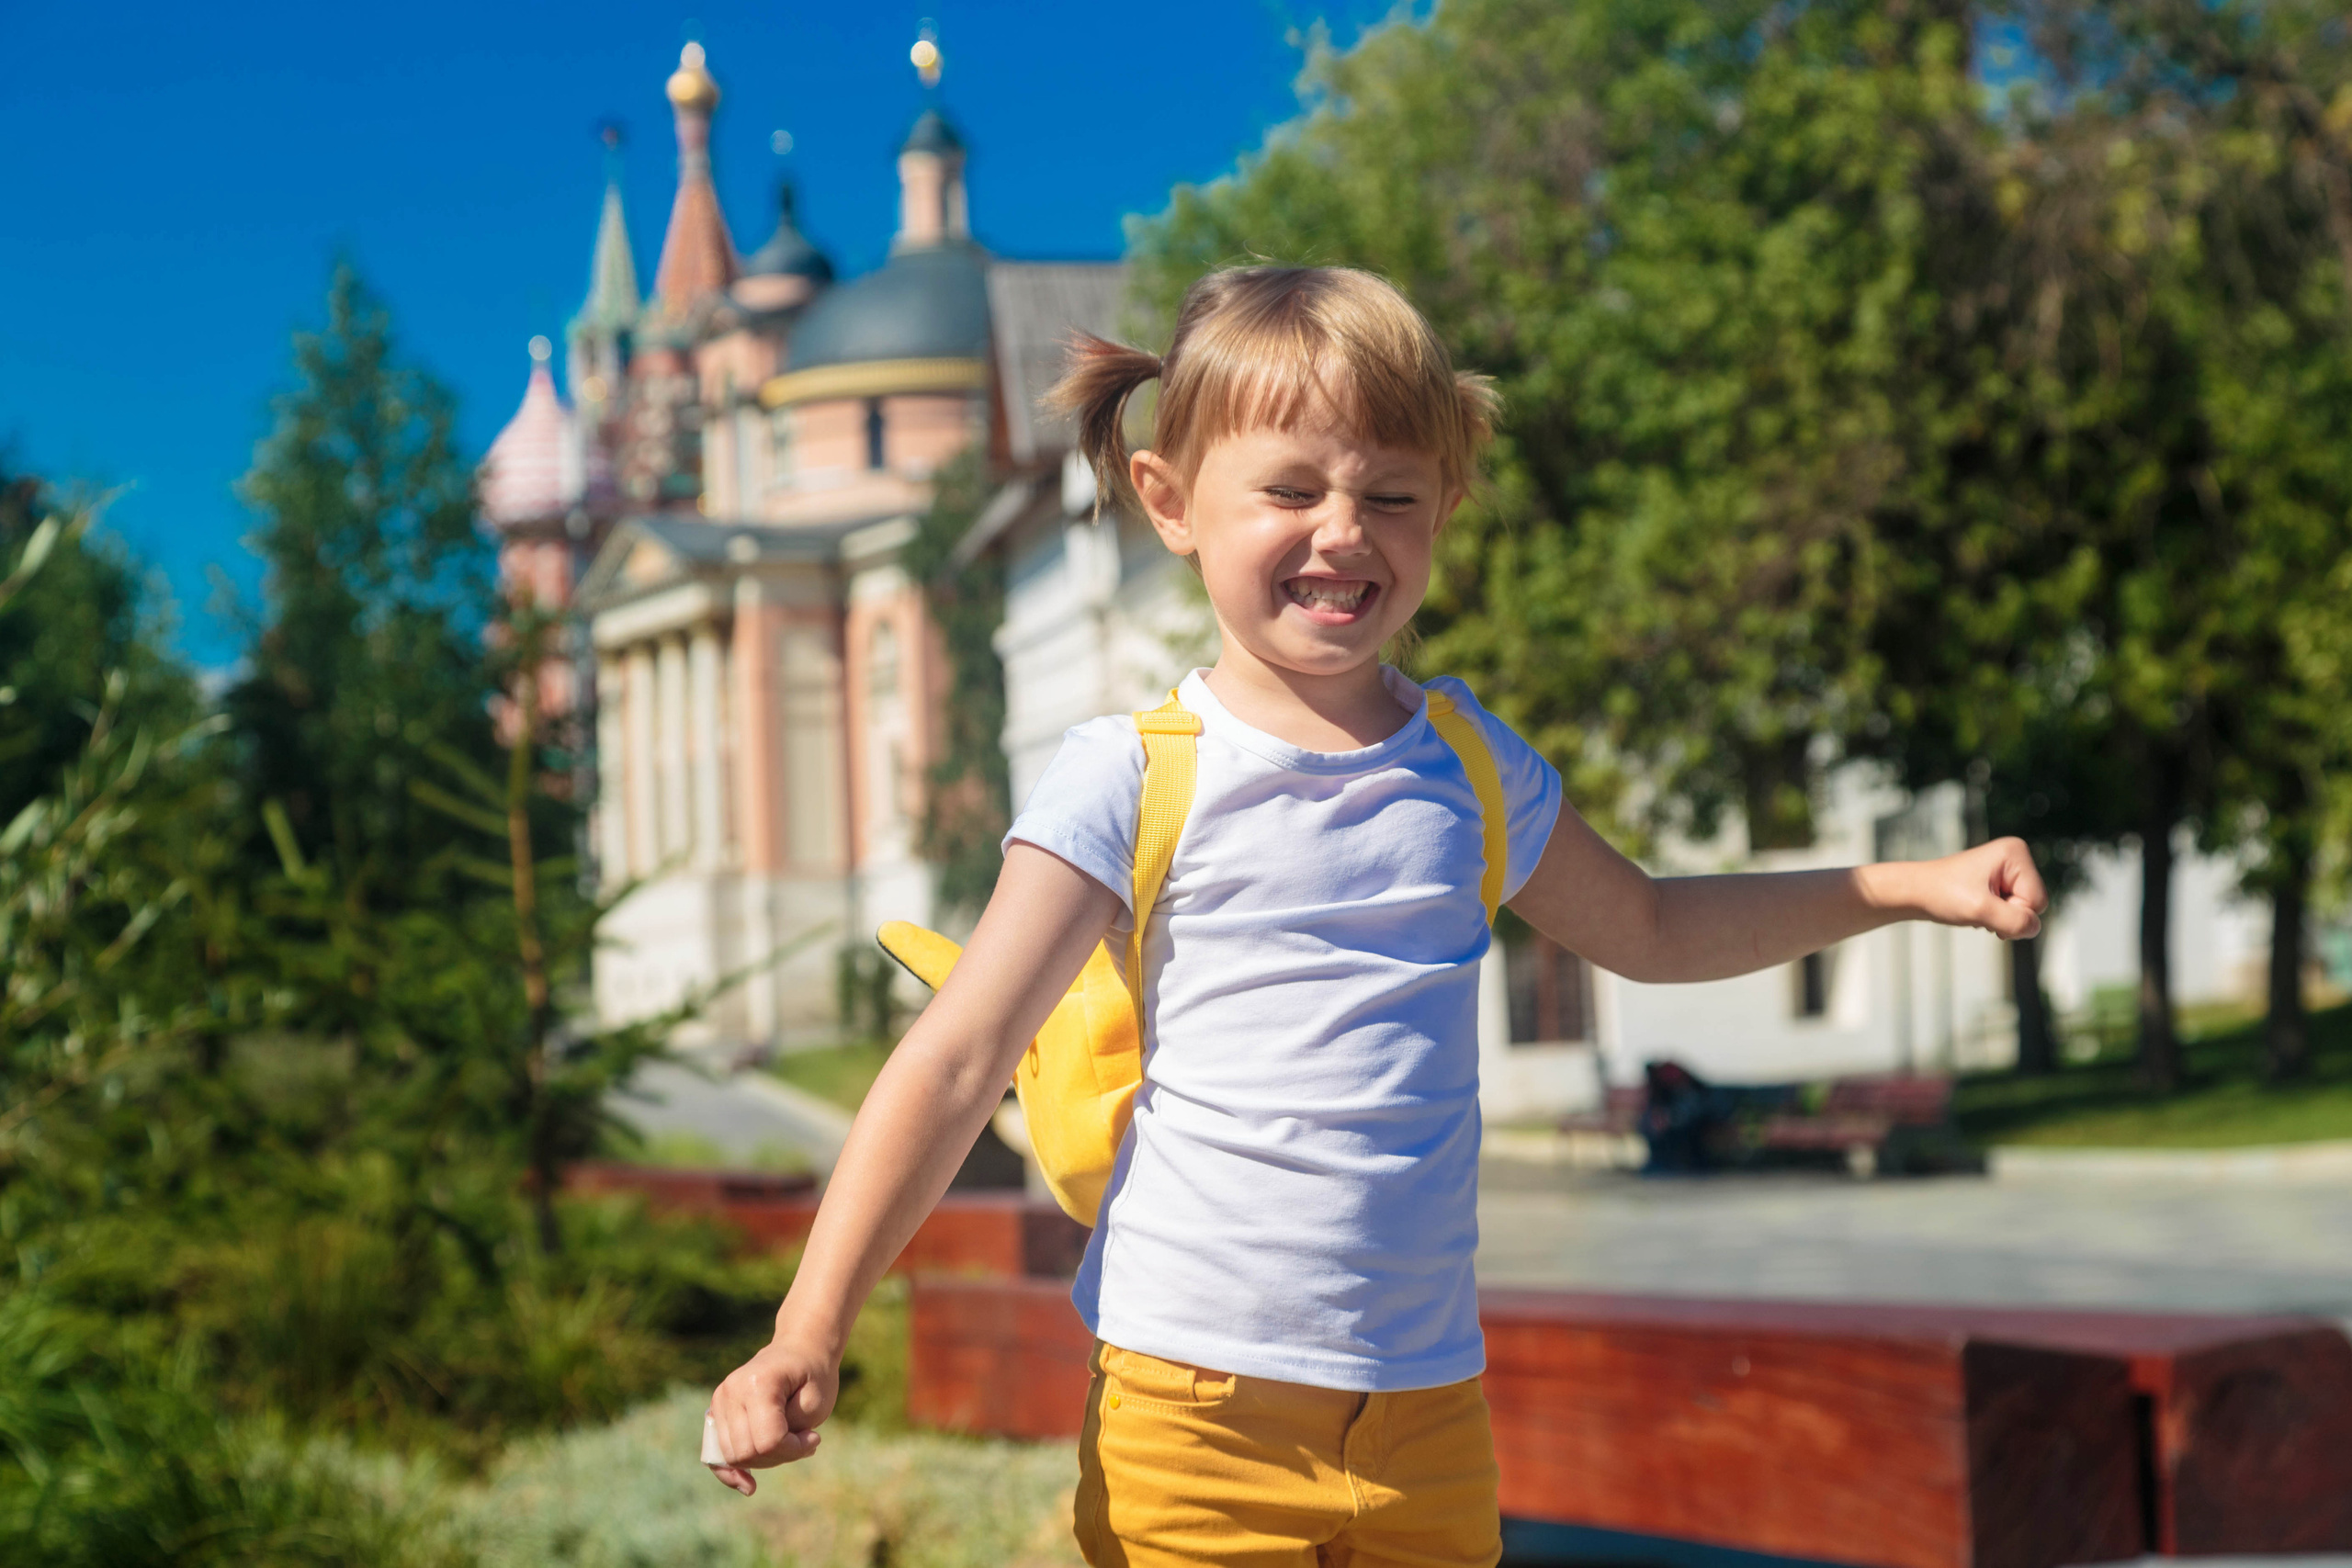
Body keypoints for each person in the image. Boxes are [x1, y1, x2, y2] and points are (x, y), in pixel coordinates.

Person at [704, 265, 2047, 1566]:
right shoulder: (1131, 773)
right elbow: (952, 1060)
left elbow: (1652, 928)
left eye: (1390, 494)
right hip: (1193, 1412)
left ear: (1444, 506)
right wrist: (808, 1329)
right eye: (1289, 489)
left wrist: (1904, 888)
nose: (1343, 532)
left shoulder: (1469, 766)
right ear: (1171, 503)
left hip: (1428, 1415)